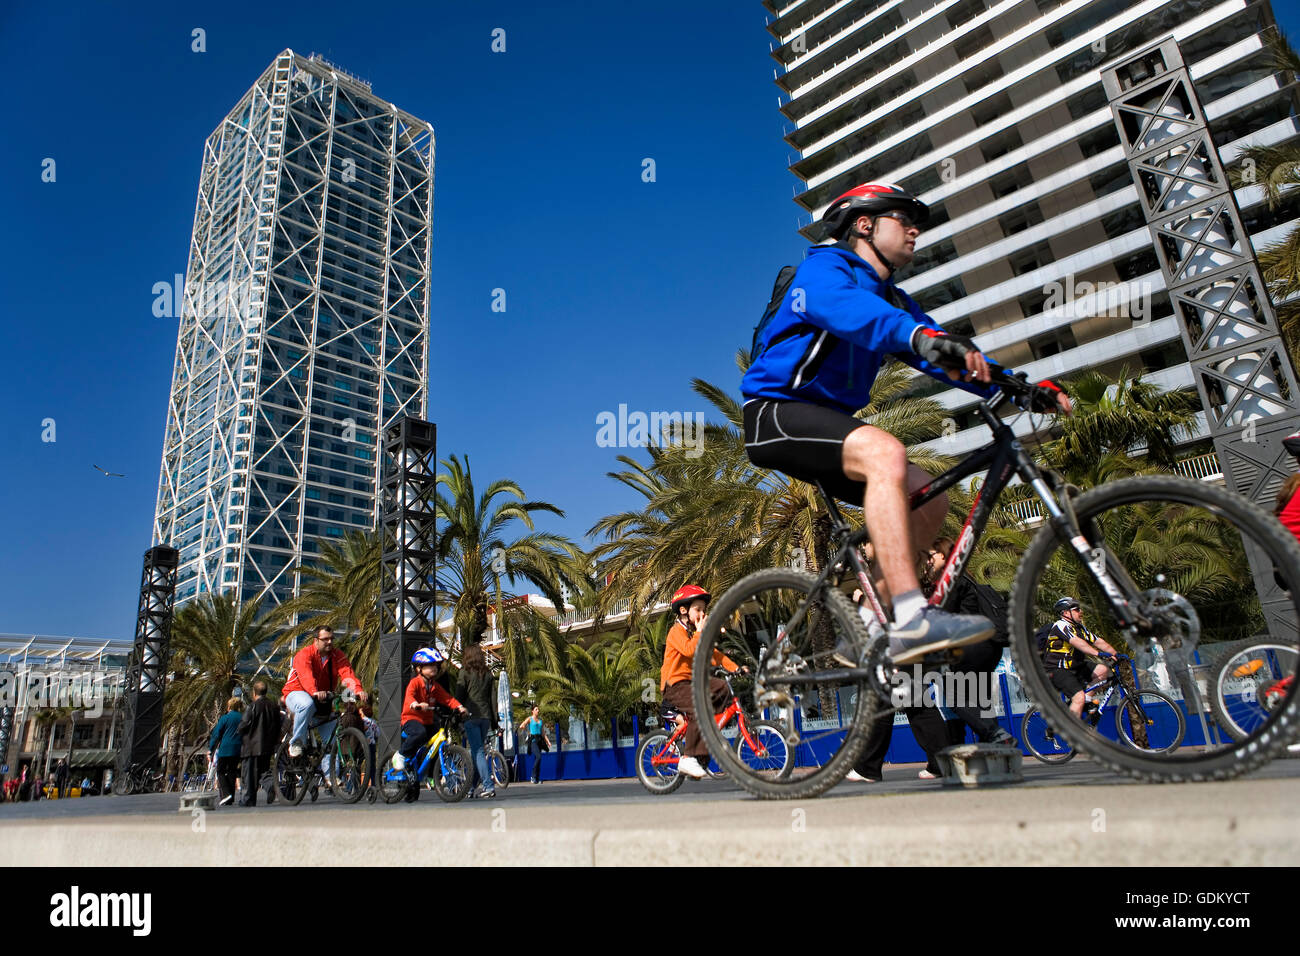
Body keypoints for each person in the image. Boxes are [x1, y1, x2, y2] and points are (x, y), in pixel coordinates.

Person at [741, 182, 1071, 665]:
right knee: (886, 451)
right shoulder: (825, 269)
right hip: (774, 413)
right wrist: (917, 337)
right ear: (864, 225)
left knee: (931, 498)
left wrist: (1018, 385)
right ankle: (912, 614)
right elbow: (850, 312)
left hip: (829, 421)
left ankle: (871, 624)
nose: (916, 229)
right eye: (903, 219)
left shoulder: (894, 301)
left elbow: (943, 352)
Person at [920, 538, 1017, 747]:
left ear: (944, 556)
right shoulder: (966, 578)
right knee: (981, 701)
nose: (926, 561)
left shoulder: (952, 581)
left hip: (970, 647)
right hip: (989, 647)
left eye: (931, 556)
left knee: (955, 698)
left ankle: (995, 734)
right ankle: (998, 750)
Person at [659, 585, 745, 780]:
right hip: (675, 685)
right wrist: (700, 632)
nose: (702, 614)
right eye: (697, 609)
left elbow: (714, 654)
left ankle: (701, 753)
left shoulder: (695, 633)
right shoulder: (676, 632)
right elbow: (689, 650)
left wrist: (736, 668)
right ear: (683, 610)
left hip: (692, 683)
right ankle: (688, 757)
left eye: (704, 610)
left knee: (721, 687)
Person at [281, 625, 367, 758]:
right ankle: (296, 742)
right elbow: (306, 675)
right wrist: (314, 691)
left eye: (332, 638)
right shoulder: (304, 654)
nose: (330, 642)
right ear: (316, 640)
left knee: (331, 743)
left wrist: (358, 690)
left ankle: (331, 777)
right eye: (325, 639)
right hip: (296, 692)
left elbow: (347, 673)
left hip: (321, 699)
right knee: (306, 704)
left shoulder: (336, 655)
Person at [394, 648, 467, 798]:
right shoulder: (415, 682)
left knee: (436, 741)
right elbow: (409, 697)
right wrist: (415, 704)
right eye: (429, 665)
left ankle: (427, 773)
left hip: (427, 721)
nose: (434, 668)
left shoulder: (434, 686)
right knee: (419, 733)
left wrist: (459, 707)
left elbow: (447, 698)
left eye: (435, 665)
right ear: (419, 668)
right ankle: (400, 755)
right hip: (411, 719)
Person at [1043, 598, 1117, 719]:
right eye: (1077, 609)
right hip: (1057, 669)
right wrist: (1098, 654)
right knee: (1078, 698)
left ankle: (1085, 700)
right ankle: (1075, 732)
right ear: (1066, 613)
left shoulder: (1079, 628)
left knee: (1102, 671)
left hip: (1075, 666)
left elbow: (1098, 641)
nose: (1081, 611)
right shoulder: (1060, 625)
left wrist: (1116, 654)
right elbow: (1077, 642)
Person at [459, 645, 500, 798]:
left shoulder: (464, 672)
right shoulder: (488, 674)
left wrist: (456, 714)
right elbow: (492, 698)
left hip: (471, 716)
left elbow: (460, 695)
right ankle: (470, 788)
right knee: (477, 752)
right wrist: (494, 720)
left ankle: (488, 786)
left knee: (478, 751)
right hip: (485, 718)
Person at [237, 680, 282, 807]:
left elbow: (244, 724)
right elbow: (279, 725)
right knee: (263, 770)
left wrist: (239, 730)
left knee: (250, 774)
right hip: (267, 745)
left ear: (254, 693)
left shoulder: (253, 706)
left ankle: (249, 799)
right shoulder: (274, 706)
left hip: (252, 745)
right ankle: (271, 786)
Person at [209, 697, 244, 806]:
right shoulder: (242, 717)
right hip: (238, 748)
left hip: (225, 748)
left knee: (220, 771)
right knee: (232, 771)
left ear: (229, 706)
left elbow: (216, 734)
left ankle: (226, 794)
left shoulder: (225, 718)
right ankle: (231, 797)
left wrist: (211, 748)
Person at [517, 706, 552, 785]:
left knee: (538, 759)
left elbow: (543, 733)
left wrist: (548, 742)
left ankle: (537, 778)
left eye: (538, 709)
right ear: (532, 711)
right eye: (536, 709)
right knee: (538, 757)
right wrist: (523, 726)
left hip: (540, 741)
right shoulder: (530, 719)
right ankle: (533, 777)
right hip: (533, 741)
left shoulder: (540, 721)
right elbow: (522, 725)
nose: (538, 710)